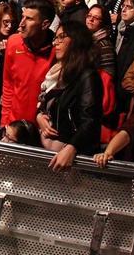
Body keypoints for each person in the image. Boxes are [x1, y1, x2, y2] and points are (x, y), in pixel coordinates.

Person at [36, 21, 104, 170]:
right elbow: (44, 104)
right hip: (48, 152)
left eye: (62, 37)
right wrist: (39, 117)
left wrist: (72, 146)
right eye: (56, 38)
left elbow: (90, 120)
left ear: (76, 40)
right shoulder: (58, 72)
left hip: (71, 159)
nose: (56, 43)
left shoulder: (88, 75)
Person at [0, 0, 55, 129]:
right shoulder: (13, 42)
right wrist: (4, 123)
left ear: (45, 24)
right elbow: (8, 85)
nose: (21, 24)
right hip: (14, 125)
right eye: (22, 17)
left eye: (29, 19)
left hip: (42, 130)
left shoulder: (57, 51)